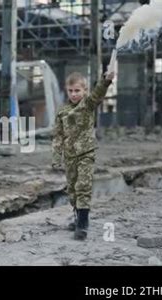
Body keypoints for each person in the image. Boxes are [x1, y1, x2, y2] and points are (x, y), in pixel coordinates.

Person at [52, 70, 115, 240]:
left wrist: (106, 80)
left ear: (84, 91)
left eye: (77, 90)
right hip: (70, 157)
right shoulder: (62, 112)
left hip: (86, 153)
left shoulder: (87, 104)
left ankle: (83, 225)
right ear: (67, 90)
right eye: (71, 91)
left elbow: (98, 93)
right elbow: (58, 136)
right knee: (72, 190)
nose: (74, 94)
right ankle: (77, 217)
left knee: (83, 186)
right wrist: (56, 157)